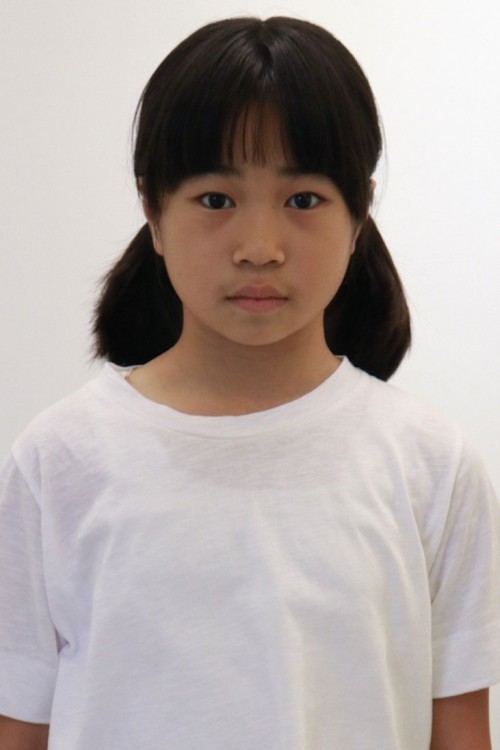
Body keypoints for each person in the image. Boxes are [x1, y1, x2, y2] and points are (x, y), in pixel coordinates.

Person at [0, 16, 498, 750]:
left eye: (303, 200)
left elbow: (459, 732)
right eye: (215, 199)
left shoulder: (431, 465)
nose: (259, 249)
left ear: (359, 214)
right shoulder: (60, 460)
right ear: (152, 211)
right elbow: (21, 728)